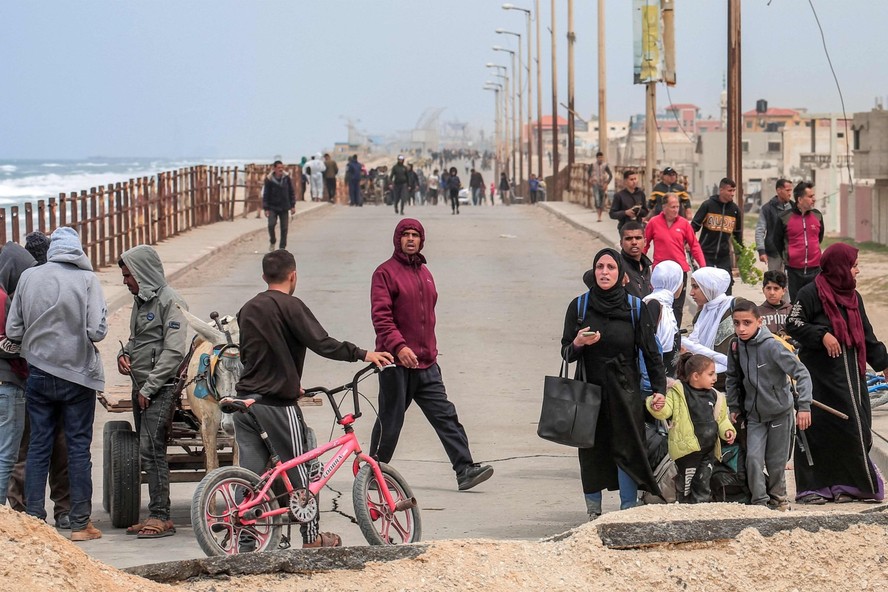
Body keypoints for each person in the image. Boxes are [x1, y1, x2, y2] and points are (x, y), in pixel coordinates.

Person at [235, 250, 393, 548]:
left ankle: (245, 539)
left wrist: (290, 381)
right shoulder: (291, 306)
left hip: (245, 404)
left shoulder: (247, 308)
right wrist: (362, 354)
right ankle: (312, 538)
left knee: (252, 479)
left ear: (264, 277)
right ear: (293, 275)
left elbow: (250, 355)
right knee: (303, 471)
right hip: (276, 406)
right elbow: (322, 343)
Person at [370, 219, 493, 491]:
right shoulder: (385, 273)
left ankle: (465, 469)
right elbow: (382, 318)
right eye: (406, 235)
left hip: (426, 364)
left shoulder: (425, 272)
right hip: (395, 364)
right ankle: (374, 472)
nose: (410, 239)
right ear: (397, 239)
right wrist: (399, 347)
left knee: (446, 416)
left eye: (415, 235)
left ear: (422, 240)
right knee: (390, 421)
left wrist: (429, 352)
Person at [7, 227, 107, 541]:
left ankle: (36, 522)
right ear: (77, 250)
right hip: (77, 376)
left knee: (38, 446)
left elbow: (13, 330)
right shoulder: (88, 280)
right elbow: (98, 330)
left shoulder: (29, 277)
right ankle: (79, 524)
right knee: (78, 448)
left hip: (38, 373)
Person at [562, 248, 665, 518]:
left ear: (620, 274)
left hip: (625, 391)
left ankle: (627, 510)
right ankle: (593, 512)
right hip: (590, 391)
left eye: (610, 267)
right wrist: (578, 343)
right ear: (593, 271)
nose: (604, 272)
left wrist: (659, 390)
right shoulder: (580, 306)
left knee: (627, 448)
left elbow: (651, 353)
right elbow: (566, 353)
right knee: (591, 450)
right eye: (599, 267)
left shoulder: (634, 308)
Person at [786, 243, 888, 504]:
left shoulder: (853, 297)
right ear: (840, 267)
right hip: (820, 378)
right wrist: (822, 335)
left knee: (856, 427)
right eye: (854, 266)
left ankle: (850, 487)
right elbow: (793, 323)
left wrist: (884, 364)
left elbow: (866, 334)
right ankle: (815, 488)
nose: (858, 271)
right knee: (819, 429)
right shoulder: (810, 293)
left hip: (851, 378)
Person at [116, 245, 189, 538]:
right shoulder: (141, 301)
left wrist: (148, 387)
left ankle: (161, 516)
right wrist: (123, 353)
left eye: (128, 276)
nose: (125, 282)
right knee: (148, 451)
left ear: (142, 273)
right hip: (141, 387)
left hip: (161, 388)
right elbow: (137, 339)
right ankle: (156, 512)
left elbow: (173, 352)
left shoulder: (171, 301)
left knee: (152, 449)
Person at [8, 233, 70, 529]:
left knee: (27, 447)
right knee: (60, 445)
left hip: (30, 378)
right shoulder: (62, 282)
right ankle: (63, 510)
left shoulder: (22, 285)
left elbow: (13, 333)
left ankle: (24, 512)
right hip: (61, 375)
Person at [725, 299, 812, 510]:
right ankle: (759, 504)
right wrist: (734, 406)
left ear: (759, 322)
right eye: (736, 323)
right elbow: (732, 377)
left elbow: (802, 373)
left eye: (747, 322)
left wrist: (804, 406)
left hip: (780, 413)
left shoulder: (773, 346)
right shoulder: (735, 346)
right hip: (754, 416)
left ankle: (779, 500)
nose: (741, 328)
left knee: (775, 463)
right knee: (753, 459)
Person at [647, 353, 735, 503]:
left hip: (708, 450)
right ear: (695, 376)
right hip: (686, 452)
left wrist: (727, 431)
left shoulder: (716, 396)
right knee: (685, 487)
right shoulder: (678, 393)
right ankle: (684, 513)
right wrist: (655, 405)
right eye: (711, 374)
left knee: (703, 484)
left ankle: (701, 513)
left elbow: (721, 419)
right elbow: (665, 411)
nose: (715, 378)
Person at [0, 244, 36, 505]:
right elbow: (6, 341)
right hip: (8, 383)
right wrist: (31, 347)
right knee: (6, 456)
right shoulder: (2, 299)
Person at [644, 193, 707, 328]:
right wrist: (638, 263)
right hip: (660, 272)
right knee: (658, 303)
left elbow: (694, 245)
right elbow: (645, 244)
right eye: (672, 206)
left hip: (679, 271)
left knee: (677, 305)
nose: (676, 210)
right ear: (664, 207)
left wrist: (703, 266)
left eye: (677, 206)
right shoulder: (654, 222)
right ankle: (659, 331)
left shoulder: (684, 224)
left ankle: (675, 334)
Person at [772, 181, 824, 301]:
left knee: (814, 302)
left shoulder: (817, 216)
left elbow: (818, 238)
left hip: (815, 269)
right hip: (794, 271)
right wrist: (789, 256)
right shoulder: (785, 217)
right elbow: (777, 241)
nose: (814, 199)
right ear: (800, 199)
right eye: (810, 196)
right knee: (797, 304)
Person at [681, 267, 734, 386]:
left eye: (696, 287)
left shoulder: (728, 313)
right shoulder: (703, 313)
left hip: (722, 380)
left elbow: (723, 356)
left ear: (709, 287)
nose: (691, 293)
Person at [691, 178, 743, 294]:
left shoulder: (735, 210)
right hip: (706, 252)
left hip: (723, 254)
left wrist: (740, 254)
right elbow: (694, 226)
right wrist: (690, 245)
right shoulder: (708, 205)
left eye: (734, 190)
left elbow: (737, 234)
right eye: (730, 190)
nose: (733, 194)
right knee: (705, 284)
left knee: (727, 282)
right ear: (721, 190)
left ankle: (725, 309)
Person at [643, 260, 684, 374]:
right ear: (674, 283)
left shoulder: (665, 304)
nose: (682, 285)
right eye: (681, 281)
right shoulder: (654, 304)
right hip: (658, 379)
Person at [755, 179, 793, 272]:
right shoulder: (767, 209)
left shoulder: (794, 208)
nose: (790, 193)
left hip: (791, 254)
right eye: (787, 190)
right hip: (773, 254)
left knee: (790, 283)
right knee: (774, 281)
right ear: (779, 190)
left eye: (791, 190)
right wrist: (761, 251)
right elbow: (760, 230)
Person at [262, 160, 296, 252]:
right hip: (272, 206)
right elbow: (266, 194)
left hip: (284, 206)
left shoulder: (286, 178)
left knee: (284, 228)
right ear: (274, 169)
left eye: (282, 167)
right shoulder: (269, 179)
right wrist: (266, 208)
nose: (281, 169)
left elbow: (291, 192)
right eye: (279, 168)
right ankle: (272, 241)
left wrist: (293, 205)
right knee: (271, 225)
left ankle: (282, 248)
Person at [612, 221, 652, 298]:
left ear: (645, 242)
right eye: (628, 239)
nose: (634, 242)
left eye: (638, 238)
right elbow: (589, 277)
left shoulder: (646, 266)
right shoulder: (617, 265)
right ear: (621, 243)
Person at [759, 270, 792, 336]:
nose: (772, 293)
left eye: (776, 288)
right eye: (768, 288)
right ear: (763, 290)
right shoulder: (757, 312)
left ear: (783, 291)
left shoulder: (791, 311)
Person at [588, 152, 613, 222]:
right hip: (595, 184)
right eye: (599, 157)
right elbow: (588, 173)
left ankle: (600, 216)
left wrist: (606, 183)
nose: (600, 159)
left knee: (602, 200)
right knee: (597, 199)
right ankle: (598, 216)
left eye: (601, 157)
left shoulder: (605, 165)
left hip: (603, 184)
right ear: (597, 158)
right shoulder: (592, 165)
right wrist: (590, 179)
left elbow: (610, 175)